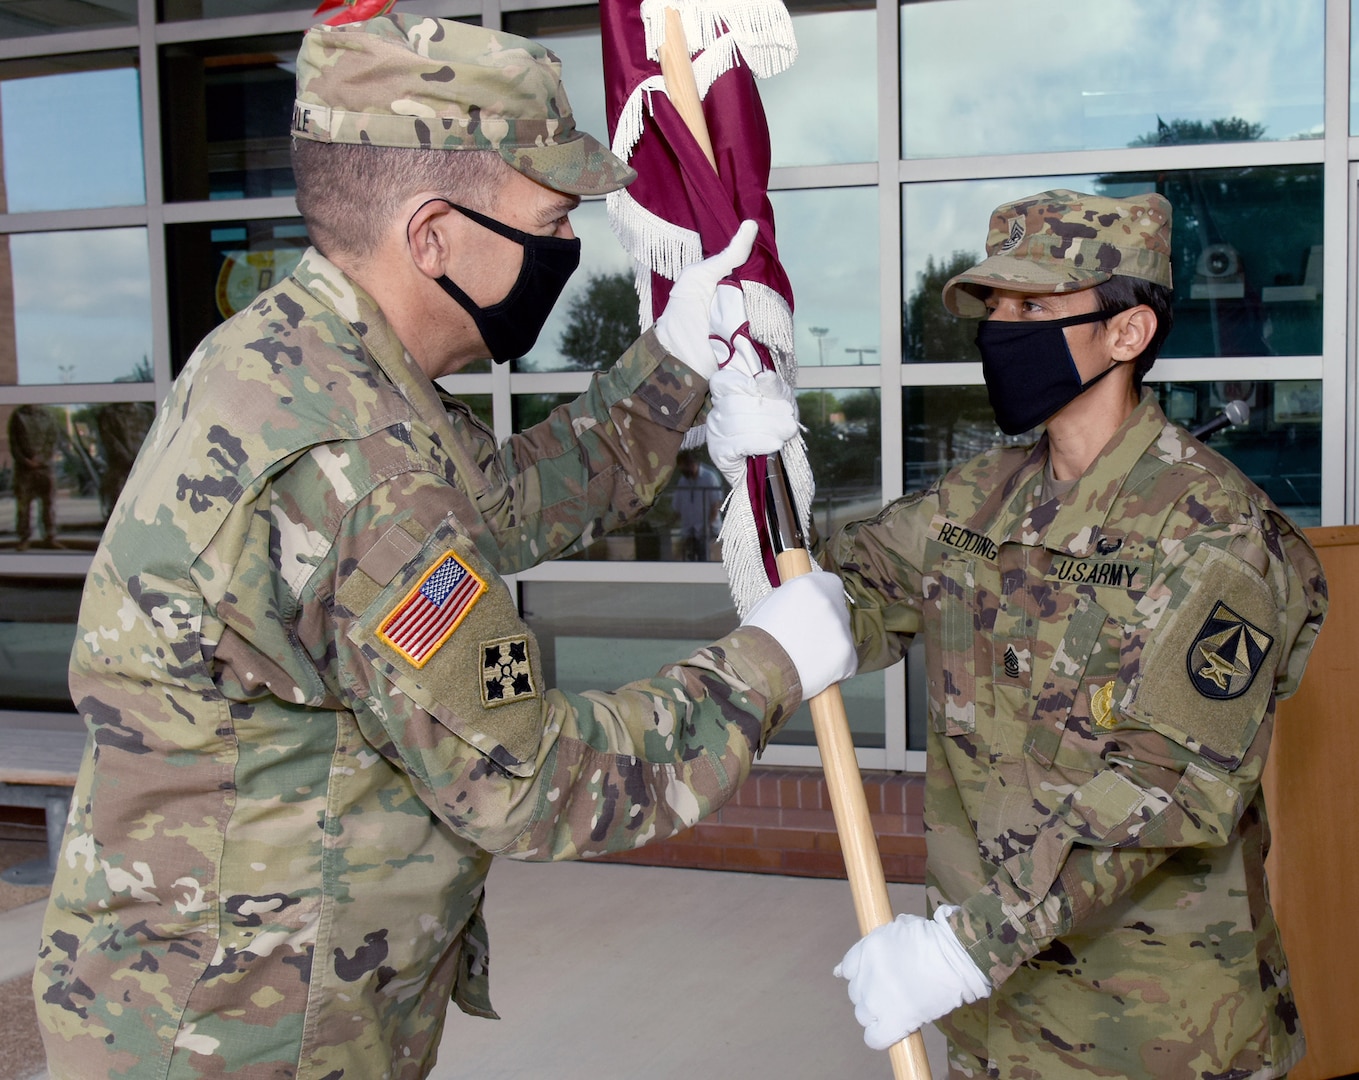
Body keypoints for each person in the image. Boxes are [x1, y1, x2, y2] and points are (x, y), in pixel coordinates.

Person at [33, 14, 850, 1080]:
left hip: (210, 995)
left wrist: (675, 361)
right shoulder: (359, 457)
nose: (567, 247)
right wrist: (768, 665)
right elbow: (538, 777)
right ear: (433, 236)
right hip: (249, 1033)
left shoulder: (298, 356)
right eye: (551, 219)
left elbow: (502, 502)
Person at [709, 190, 1328, 1078]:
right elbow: (826, 598)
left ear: (1126, 334)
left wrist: (960, 949)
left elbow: (1166, 787)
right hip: (994, 1020)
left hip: (1153, 1034)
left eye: (1034, 308)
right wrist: (759, 474)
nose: (1002, 329)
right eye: (994, 307)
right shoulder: (976, 499)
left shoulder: (1212, 532)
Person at [7, 402, 61, 550]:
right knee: (24, 506)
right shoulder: (18, 416)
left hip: (45, 468)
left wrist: (43, 459)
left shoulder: (48, 415)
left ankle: (50, 537)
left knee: (49, 504)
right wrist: (25, 460)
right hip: (24, 469)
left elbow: (53, 440)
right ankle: (24, 539)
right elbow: (14, 442)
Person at [671, 449, 724, 560]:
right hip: (689, 530)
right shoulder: (683, 481)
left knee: (703, 556)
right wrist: (668, 524)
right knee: (683, 557)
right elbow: (678, 508)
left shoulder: (709, 478)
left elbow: (716, 505)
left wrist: (707, 526)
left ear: (691, 463)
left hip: (707, 530)